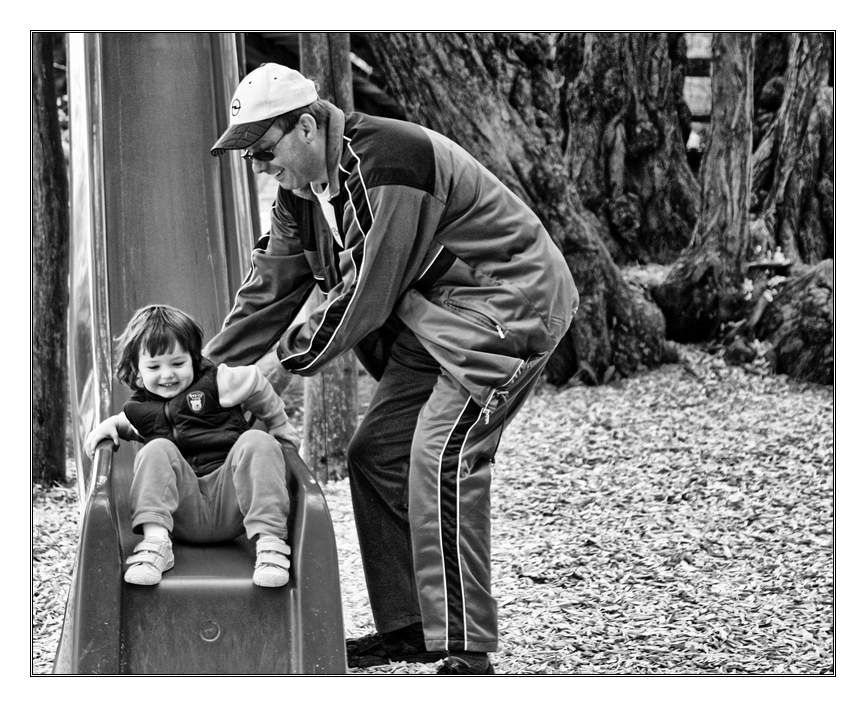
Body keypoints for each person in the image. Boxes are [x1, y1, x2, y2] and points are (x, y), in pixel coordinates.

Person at [207, 63, 579, 674]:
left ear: (306, 126)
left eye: (265, 151)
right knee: (375, 452)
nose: (260, 167)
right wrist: (205, 375)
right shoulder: (299, 195)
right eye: (250, 157)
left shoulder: (388, 162)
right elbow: (267, 290)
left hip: (506, 306)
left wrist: (279, 363)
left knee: (442, 456)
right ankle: (411, 625)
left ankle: (464, 646)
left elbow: (366, 293)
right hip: (432, 315)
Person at [84, 304, 298, 588]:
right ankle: (156, 544)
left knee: (258, 440)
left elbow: (256, 382)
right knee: (156, 448)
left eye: (177, 363)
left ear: (194, 359)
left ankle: (269, 543)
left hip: (233, 503)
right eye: (154, 366)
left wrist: (279, 424)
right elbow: (126, 423)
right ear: (137, 371)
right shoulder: (140, 410)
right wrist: (108, 426)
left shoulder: (217, 382)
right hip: (179, 514)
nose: (167, 375)